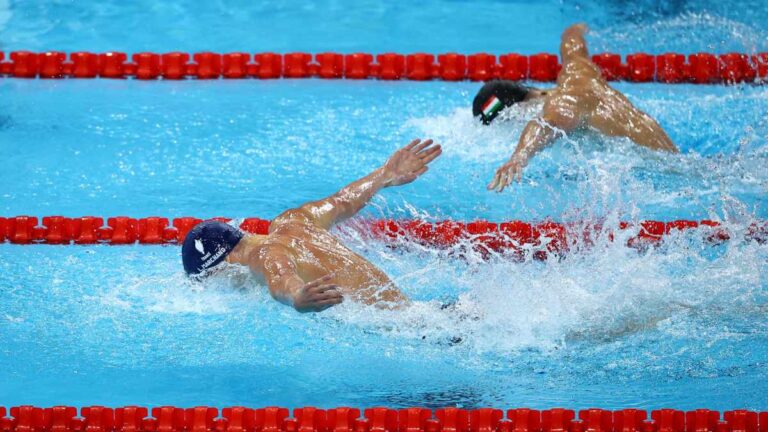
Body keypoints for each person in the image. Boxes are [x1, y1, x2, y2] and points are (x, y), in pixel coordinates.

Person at [181, 139, 442, 312]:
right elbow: (342, 202)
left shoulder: (261, 254)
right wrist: (384, 174)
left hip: (402, 332)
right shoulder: (293, 221)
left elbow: (281, 277)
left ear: (225, 263)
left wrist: (296, 297)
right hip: (415, 312)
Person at [473, 24, 679, 192]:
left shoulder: (563, 102)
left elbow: (546, 124)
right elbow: (572, 42)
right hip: (671, 156)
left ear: (521, 109)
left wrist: (519, 156)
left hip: (664, 174)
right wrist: (575, 29)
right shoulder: (577, 70)